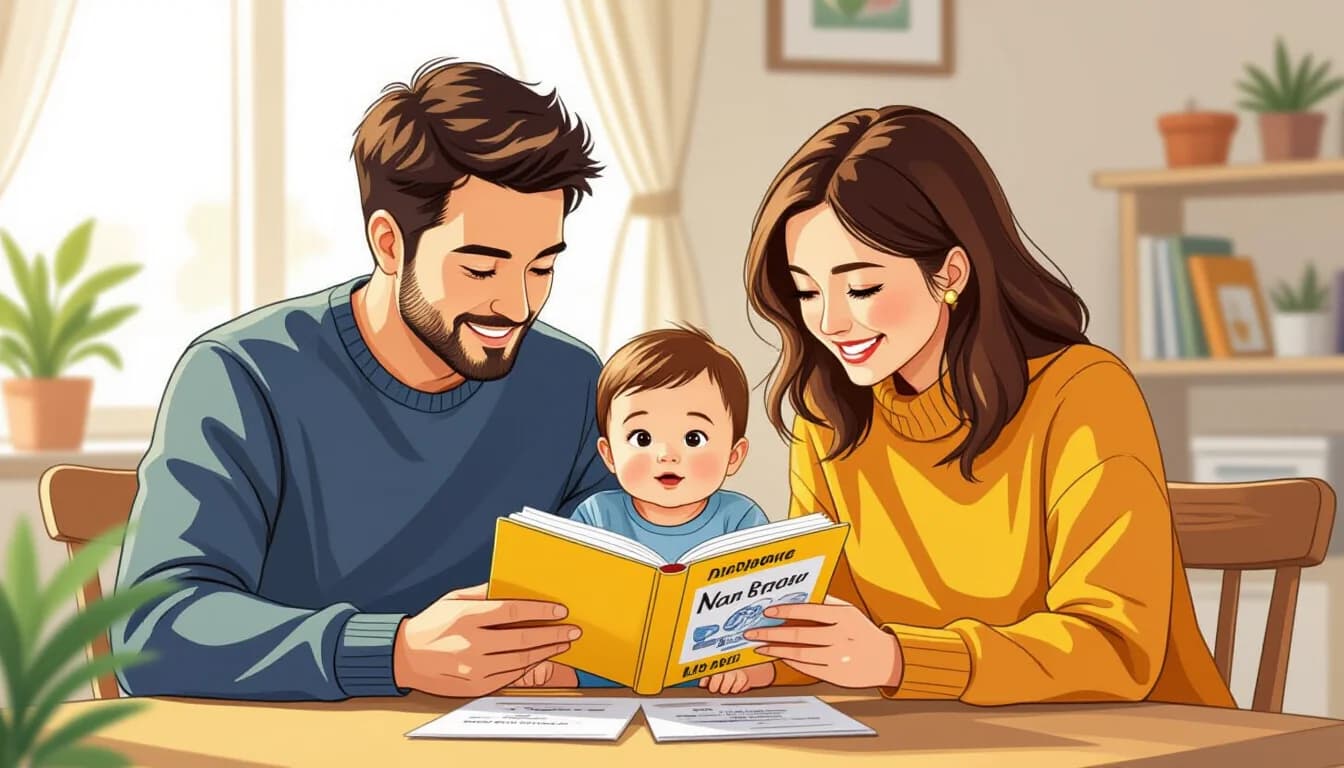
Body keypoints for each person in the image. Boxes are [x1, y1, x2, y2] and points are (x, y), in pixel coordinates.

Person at [109, 59, 623, 701]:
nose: (518, 306)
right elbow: (152, 632)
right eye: (481, 270)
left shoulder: (569, 379)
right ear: (388, 243)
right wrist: (396, 652)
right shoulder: (243, 375)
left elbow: (618, 581)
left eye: (541, 268)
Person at [730, 105, 1236, 708]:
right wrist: (755, 661)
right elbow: (829, 622)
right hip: (942, 739)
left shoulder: (1083, 393)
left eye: (862, 287)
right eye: (807, 290)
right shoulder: (831, 418)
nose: (830, 322)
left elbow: (1114, 645)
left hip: (1145, 740)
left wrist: (899, 659)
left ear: (950, 272)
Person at [511, 325, 774, 694]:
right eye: (642, 438)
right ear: (608, 455)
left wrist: (749, 668)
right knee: (556, 669)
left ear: (734, 455)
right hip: (603, 672)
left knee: (760, 666)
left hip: (708, 675)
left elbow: (762, 614)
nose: (667, 454)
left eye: (693, 438)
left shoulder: (742, 518)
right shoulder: (595, 515)